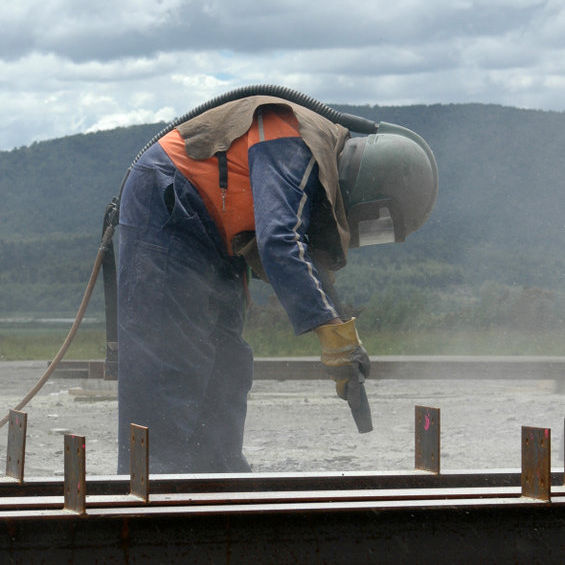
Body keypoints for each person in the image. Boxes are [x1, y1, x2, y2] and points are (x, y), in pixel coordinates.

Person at [117, 93, 438, 474]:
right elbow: (281, 240)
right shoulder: (294, 139)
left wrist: (342, 339)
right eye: (373, 222)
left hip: (213, 238)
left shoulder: (316, 173)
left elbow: (309, 260)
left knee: (226, 364)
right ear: (366, 182)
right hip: (170, 206)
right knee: (172, 361)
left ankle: (219, 484)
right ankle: (156, 489)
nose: (364, 232)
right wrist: (331, 338)